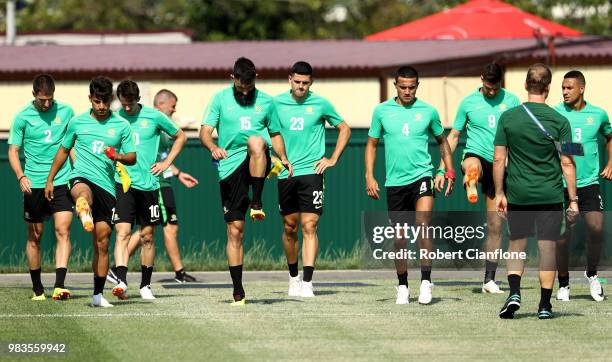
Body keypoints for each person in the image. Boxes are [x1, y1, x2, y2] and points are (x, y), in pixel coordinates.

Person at [200, 57, 292, 305]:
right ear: (233, 79)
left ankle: (258, 202)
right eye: (240, 87)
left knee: (256, 141)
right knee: (235, 231)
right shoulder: (220, 98)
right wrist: (213, 147)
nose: (245, 92)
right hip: (229, 166)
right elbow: (205, 132)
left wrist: (283, 157)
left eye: (248, 88)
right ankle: (238, 290)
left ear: (255, 80)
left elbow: (274, 134)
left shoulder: (266, 101)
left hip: (257, 159)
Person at [365, 65, 455, 305]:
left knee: (423, 223)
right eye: (403, 87)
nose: (407, 91)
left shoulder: (428, 111)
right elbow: (371, 144)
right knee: (400, 236)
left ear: (417, 86)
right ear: (395, 85)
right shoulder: (381, 111)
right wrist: (369, 175)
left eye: (412, 87)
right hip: (395, 182)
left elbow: (442, 141)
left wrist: (449, 170)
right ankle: (403, 284)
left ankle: (426, 282)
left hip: (422, 176)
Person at [494, 63, 578, 319]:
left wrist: (499, 193)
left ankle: (515, 293)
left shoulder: (508, 117)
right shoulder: (561, 121)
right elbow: (567, 161)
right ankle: (544, 305)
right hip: (550, 195)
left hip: (518, 193)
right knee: (547, 248)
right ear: (549, 88)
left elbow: (498, 159)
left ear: (526, 86)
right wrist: (573, 200)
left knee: (516, 244)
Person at [44, 76, 136, 308]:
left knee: (102, 243)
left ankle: (97, 295)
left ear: (111, 100)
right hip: (82, 175)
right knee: (82, 191)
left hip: (108, 186)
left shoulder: (121, 126)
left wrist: (118, 156)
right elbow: (63, 151)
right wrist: (50, 179)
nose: (101, 106)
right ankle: (82, 207)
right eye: (97, 101)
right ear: (90, 99)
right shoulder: (77, 123)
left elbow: (132, 157)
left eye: (105, 102)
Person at [272, 61, 351, 297]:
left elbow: (344, 128)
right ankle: (293, 276)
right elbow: (264, 131)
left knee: (310, 225)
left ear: (311, 82)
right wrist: (273, 159)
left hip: (312, 173)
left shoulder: (320, 103)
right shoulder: (275, 103)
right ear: (289, 80)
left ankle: (307, 281)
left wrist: (333, 158)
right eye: (297, 82)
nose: (301, 86)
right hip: (286, 173)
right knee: (289, 227)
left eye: (305, 83)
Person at [440, 63, 520, 294]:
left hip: (501, 164)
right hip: (477, 154)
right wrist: (442, 169)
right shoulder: (468, 102)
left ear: (501, 82)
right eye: (488, 87)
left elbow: (518, 133)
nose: (492, 92)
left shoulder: (512, 101)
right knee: (471, 164)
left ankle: (488, 280)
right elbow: (454, 136)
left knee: (495, 227)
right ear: (481, 78)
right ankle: (471, 178)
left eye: (495, 88)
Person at [109, 89, 199, 284]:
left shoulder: (158, 123)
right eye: (172, 106)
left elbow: (162, 157)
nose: (174, 110)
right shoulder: (148, 123)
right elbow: (149, 159)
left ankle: (124, 272)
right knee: (156, 229)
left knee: (149, 230)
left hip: (160, 181)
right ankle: (119, 269)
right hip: (150, 184)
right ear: (160, 105)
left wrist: (176, 172)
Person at [8, 74, 75, 301]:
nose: (47, 103)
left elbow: (71, 144)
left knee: (63, 230)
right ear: (34, 95)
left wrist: (77, 174)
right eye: (42, 99)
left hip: (60, 180)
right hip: (33, 183)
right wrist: (20, 176)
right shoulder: (22, 117)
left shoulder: (66, 112)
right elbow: (13, 151)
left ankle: (59, 285)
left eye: (50, 99)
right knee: (35, 236)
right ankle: (38, 289)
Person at [554, 70, 611, 302]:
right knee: (562, 237)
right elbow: (554, 145)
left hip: (589, 184)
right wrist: (578, 150)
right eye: (563, 88)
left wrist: (611, 162)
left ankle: (592, 274)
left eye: (569, 87)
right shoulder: (555, 113)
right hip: (561, 184)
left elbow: (609, 136)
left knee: (596, 229)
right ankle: (564, 284)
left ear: (581, 88)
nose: (565, 92)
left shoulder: (598, 114)